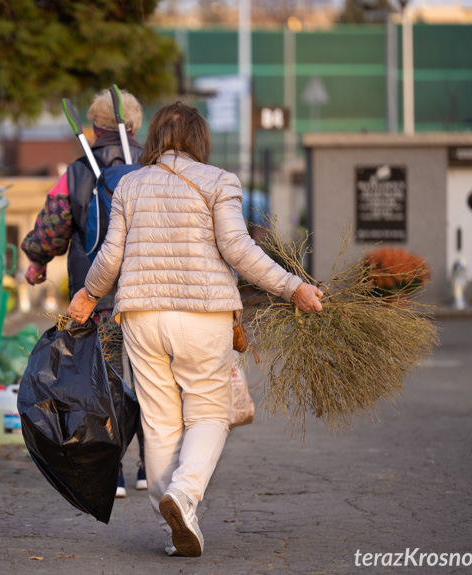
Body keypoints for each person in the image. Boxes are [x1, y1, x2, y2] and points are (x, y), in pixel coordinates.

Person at [67, 101, 323, 558]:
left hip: (142, 317)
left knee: (160, 424)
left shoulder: (130, 184)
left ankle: (176, 529)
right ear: (200, 139)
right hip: (203, 316)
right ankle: (184, 496)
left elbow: (110, 256)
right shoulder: (218, 181)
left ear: (156, 139)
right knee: (209, 413)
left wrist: (87, 296)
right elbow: (238, 249)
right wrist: (292, 287)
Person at [21, 88, 147, 497]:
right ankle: (153, 467)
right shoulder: (156, 165)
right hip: (150, 295)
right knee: (153, 380)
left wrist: (37, 261)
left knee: (105, 381)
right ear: (135, 126)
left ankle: (115, 474)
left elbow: (52, 225)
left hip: (98, 298)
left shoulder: (77, 172)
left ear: (94, 127)